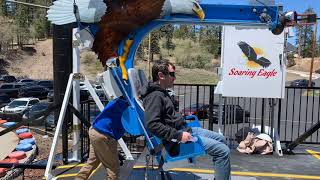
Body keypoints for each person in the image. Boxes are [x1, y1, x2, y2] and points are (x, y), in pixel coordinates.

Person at [142, 60, 231, 180]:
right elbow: (152, 124)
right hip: (176, 140)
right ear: (161, 75)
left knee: (221, 139)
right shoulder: (155, 96)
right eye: (172, 74)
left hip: (185, 130)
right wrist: (178, 135)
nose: (174, 78)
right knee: (223, 151)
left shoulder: (162, 93)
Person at [76, 98, 128, 180]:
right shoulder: (128, 108)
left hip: (94, 131)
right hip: (104, 136)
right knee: (113, 166)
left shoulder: (114, 102)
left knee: (93, 161)